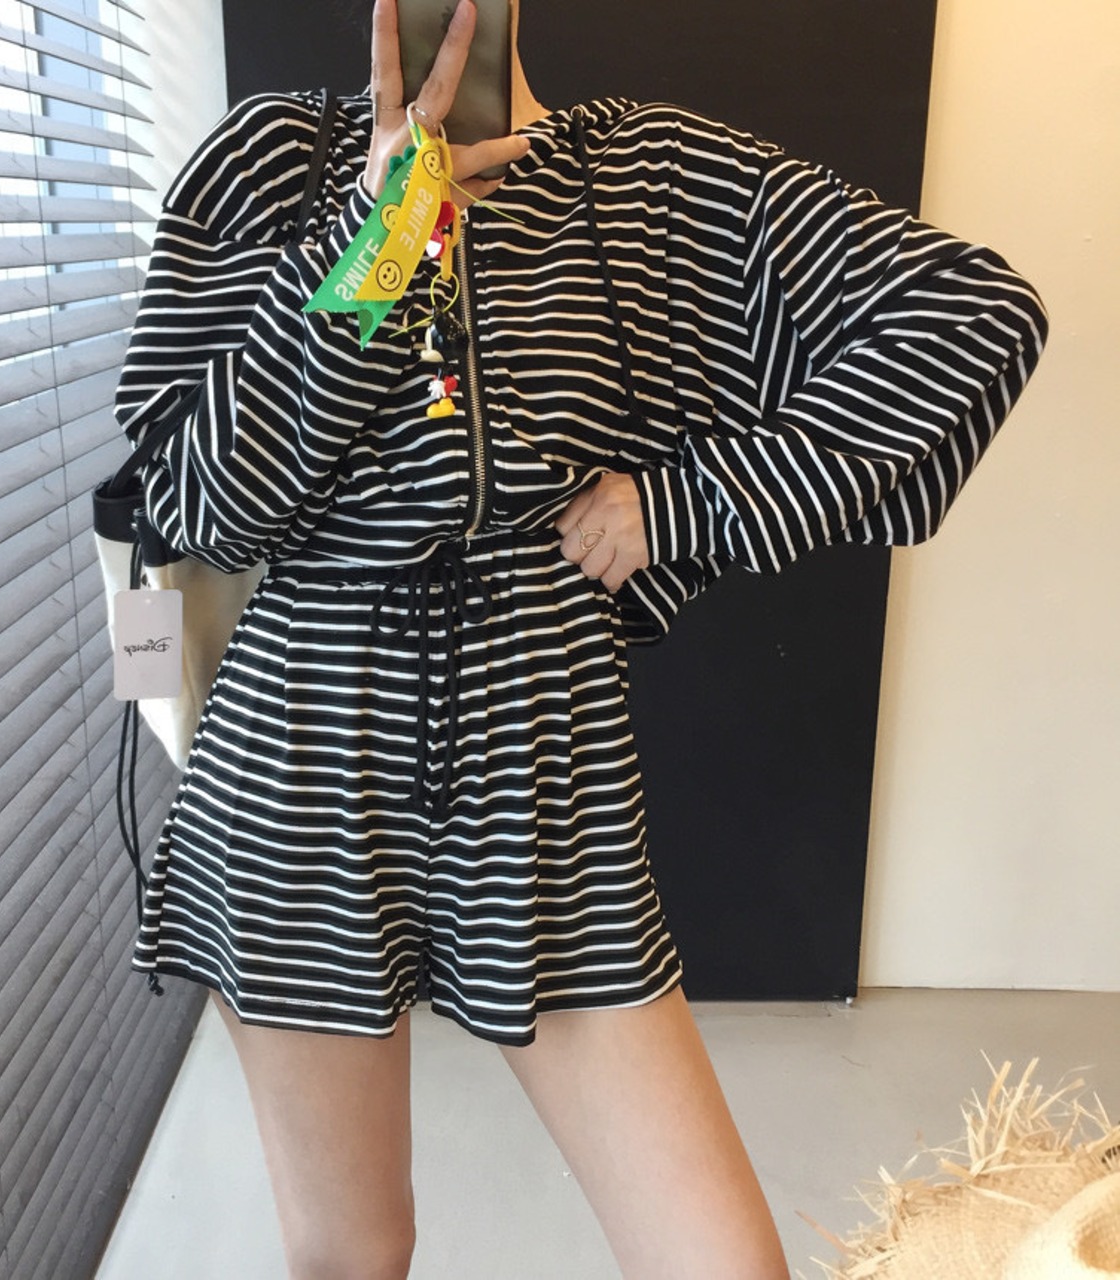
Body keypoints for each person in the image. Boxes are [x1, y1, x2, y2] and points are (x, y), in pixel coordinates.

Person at [113, 1, 1047, 1275]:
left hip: (542, 756)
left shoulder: (645, 174)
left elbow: (971, 317)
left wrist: (687, 501)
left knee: (721, 1261)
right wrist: (386, 233)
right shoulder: (269, 158)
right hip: (303, 759)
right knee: (352, 1251)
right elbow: (195, 501)